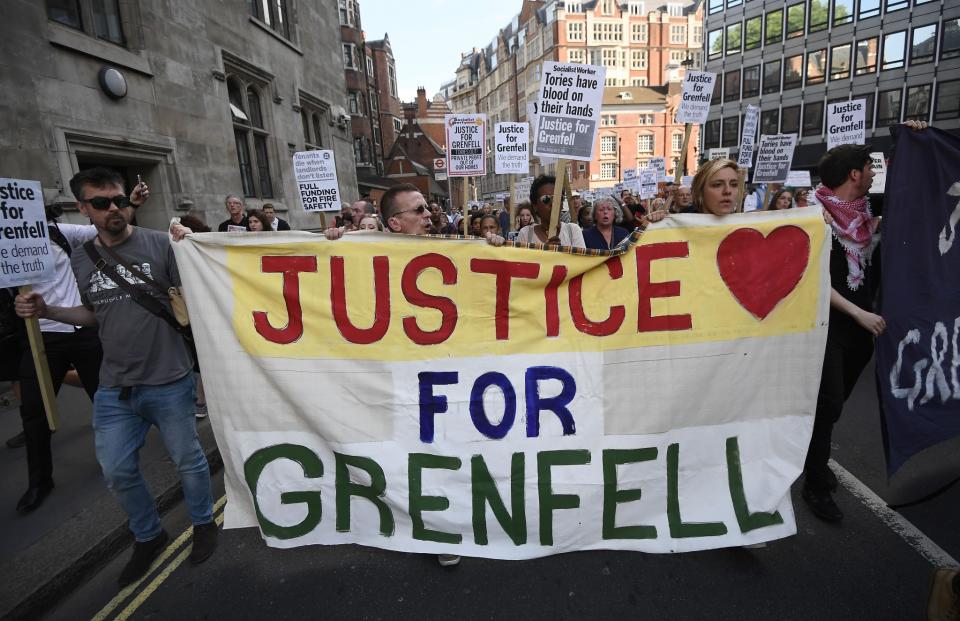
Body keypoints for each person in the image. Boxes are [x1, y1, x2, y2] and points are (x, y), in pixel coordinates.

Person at [16, 167, 217, 586]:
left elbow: (196, 299)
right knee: (117, 470)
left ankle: (203, 525)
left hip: (169, 379)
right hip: (115, 388)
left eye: (120, 200)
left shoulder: (162, 245)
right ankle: (148, 535)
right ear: (82, 207)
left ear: (129, 201)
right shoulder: (81, 257)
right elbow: (94, 314)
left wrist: (193, 244)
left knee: (188, 461)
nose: (114, 209)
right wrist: (48, 312)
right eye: (102, 202)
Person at [8, 187, 151, 514]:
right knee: (34, 411)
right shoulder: (7, 247)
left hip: (83, 328)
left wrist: (131, 205)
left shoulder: (62, 233)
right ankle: (40, 481)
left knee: (105, 398)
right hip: (40, 333)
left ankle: (117, 460)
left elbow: (109, 224)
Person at [802, 143, 887, 522]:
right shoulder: (814, 215)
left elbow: (920, 188)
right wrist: (857, 313)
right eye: (869, 167)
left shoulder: (867, 215)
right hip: (828, 326)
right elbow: (815, 278)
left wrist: (914, 139)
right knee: (829, 404)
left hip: (859, 330)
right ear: (854, 174)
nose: (873, 173)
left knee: (833, 407)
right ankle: (816, 486)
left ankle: (813, 459)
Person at [516, 175, 586, 248]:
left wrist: (560, 251)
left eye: (557, 198)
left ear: (562, 204)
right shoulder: (526, 234)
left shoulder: (573, 231)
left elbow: (580, 259)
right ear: (535, 206)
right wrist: (547, 254)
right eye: (546, 199)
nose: (552, 204)